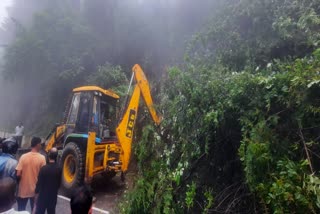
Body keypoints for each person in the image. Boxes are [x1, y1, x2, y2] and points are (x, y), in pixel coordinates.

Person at [16, 137, 46, 212]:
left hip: (23, 190)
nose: (41, 146)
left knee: (21, 210)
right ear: (37, 144)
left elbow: (18, 174)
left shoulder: (23, 157)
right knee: (34, 209)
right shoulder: (42, 158)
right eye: (40, 144)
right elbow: (43, 176)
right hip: (35, 191)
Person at [34, 148, 61, 214]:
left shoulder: (43, 169)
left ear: (49, 156)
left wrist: (36, 194)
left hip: (42, 196)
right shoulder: (59, 169)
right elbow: (59, 184)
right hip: (53, 197)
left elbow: (39, 183)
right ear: (56, 157)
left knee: (40, 212)